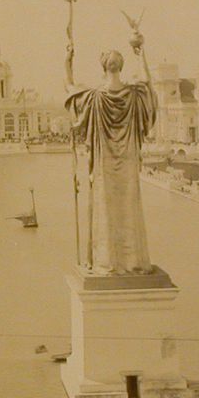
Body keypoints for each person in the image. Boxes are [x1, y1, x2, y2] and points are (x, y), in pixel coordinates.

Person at [64, 24, 157, 275]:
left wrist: (67, 62)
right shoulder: (135, 95)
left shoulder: (94, 98)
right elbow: (149, 87)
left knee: (105, 209)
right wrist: (141, 52)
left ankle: (106, 261)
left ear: (103, 67)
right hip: (127, 163)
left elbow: (70, 92)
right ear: (121, 66)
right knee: (129, 207)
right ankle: (134, 261)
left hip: (105, 164)